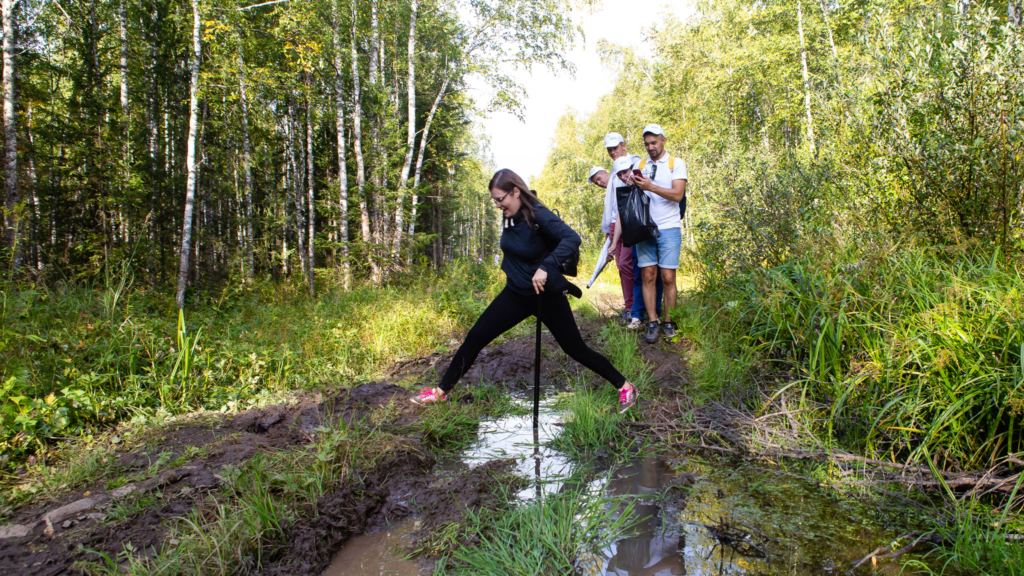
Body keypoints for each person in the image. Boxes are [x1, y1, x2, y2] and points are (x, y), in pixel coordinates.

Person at [412, 168, 639, 412]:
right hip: (515, 294)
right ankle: (440, 393)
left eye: (501, 199)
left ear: (516, 191)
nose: (498, 205)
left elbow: (572, 238)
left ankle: (625, 387)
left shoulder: (538, 214)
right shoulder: (509, 216)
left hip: (546, 295)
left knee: (575, 349)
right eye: (495, 201)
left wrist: (545, 266)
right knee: (476, 337)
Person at [610, 124, 686, 344]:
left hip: (669, 227)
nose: (651, 147)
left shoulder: (675, 163)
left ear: (663, 140)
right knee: (648, 275)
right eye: (647, 144)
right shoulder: (640, 165)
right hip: (644, 228)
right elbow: (633, 194)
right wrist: (631, 182)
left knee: (668, 276)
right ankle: (653, 322)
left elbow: (678, 195)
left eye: (654, 142)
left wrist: (651, 186)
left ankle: (668, 322)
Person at [603, 133, 662, 330]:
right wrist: (613, 242)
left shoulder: (645, 178)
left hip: (654, 230)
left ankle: (655, 312)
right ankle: (637, 313)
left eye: (626, 172)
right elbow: (621, 214)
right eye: (620, 174)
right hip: (636, 234)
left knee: (657, 274)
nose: (623, 176)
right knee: (638, 272)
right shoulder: (624, 188)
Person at [589, 165, 633, 317]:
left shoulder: (618, 179)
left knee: (626, 265)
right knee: (621, 267)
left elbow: (622, 209)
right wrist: (609, 236)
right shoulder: (608, 192)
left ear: (605, 173)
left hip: (626, 225)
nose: (599, 183)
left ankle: (634, 306)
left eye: (599, 178)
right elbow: (611, 215)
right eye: (596, 182)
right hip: (615, 227)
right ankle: (629, 306)